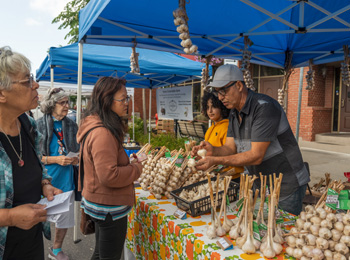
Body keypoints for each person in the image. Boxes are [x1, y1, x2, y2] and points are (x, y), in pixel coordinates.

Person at [192, 64, 310, 215]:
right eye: (217, 92)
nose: (220, 97)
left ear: (239, 85)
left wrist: (216, 161)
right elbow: (230, 148)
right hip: (262, 184)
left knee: (280, 233)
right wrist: (212, 150)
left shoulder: (264, 107)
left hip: (286, 185)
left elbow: (256, 155)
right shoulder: (234, 113)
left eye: (223, 90)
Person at [0, 46, 61, 259]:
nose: (36, 85)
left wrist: (45, 185)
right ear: (1, 94)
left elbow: (37, 166)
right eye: (27, 81)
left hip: (32, 244)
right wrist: (9, 217)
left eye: (33, 78)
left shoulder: (27, 124)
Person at [77, 77, 143, 260]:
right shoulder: (102, 133)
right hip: (108, 208)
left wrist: (127, 163)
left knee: (100, 254)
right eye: (123, 99)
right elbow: (109, 176)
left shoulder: (99, 126)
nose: (127, 104)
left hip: (101, 203)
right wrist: (137, 168)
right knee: (108, 256)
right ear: (107, 101)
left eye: (127, 98)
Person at [36, 87, 79, 260]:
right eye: (62, 102)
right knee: (38, 217)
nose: (67, 106)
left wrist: (75, 159)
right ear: (52, 105)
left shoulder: (71, 125)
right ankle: (34, 248)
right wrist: (56, 159)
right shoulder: (39, 125)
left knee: (64, 219)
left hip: (66, 179)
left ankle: (56, 249)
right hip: (45, 180)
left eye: (67, 102)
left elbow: (78, 150)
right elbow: (36, 157)